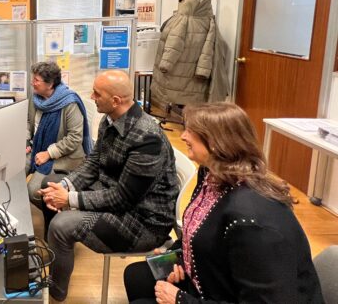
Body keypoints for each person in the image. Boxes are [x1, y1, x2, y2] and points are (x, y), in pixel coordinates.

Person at [123, 102, 324, 304]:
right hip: (219, 282)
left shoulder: (250, 219)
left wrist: (180, 300)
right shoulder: (211, 175)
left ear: (215, 142)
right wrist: (178, 257)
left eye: (191, 131)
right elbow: (204, 233)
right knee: (137, 276)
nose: (183, 136)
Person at [39, 70, 178, 302]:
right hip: (115, 197)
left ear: (115, 100)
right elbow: (93, 162)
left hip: (143, 222)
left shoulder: (147, 138)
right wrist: (65, 185)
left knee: (61, 225)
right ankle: (60, 251)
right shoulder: (110, 119)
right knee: (49, 183)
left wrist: (70, 199)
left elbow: (123, 198)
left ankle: (55, 293)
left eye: (97, 93)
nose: (91, 97)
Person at [26, 61, 91, 207]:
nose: (32, 83)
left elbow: (75, 137)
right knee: (13, 171)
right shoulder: (35, 98)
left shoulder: (69, 103)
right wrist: (26, 141)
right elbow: (28, 123)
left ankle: (57, 214)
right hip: (36, 147)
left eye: (36, 80)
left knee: (34, 191)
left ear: (49, 84)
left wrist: (49, 153)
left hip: (63, 155)